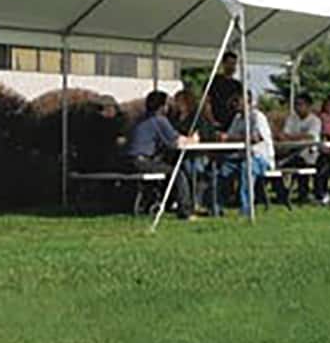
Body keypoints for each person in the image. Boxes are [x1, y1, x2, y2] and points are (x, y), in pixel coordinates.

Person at [127, 90, 199, 220]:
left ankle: (164, 202)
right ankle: (185, 211)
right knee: (178, 173)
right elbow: (177, 141)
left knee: (167, 168)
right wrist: (193, 139)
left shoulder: (141, 119)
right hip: (142, 161)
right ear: (162, 106)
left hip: (129, 161)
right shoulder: (159, 120)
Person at [219, 92, 274, 215]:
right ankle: (217, 206)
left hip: (259, 157)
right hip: (240, 156)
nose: (235, 104)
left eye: (238, 101)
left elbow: (256, 138)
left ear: (247, 102)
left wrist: (231, 138)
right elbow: (229, 137)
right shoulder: (238, 118)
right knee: (222, 169)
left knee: (247, 168)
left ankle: (246, 208)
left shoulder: (257, 117)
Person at [276, 93, 322, 202]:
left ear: (308, 106)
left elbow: (310, 136)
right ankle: (281, 194)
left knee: (300, 163)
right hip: (290, 151)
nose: (297, 107)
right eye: (296, 104)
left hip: (309, 155)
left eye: (301, 104)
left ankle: (303, 194)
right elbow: (283, 135)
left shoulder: (315, 120)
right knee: (274, 164)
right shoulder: (292, 119)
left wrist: (291, 137)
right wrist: (295, 137)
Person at [78, 95, 126, 172]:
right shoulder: (105, 124)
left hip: (88, 164)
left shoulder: (87, 122)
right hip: (102, 164)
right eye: (109, 108)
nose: (113, 111)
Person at [208, 51, 243, 130]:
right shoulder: (214, 81)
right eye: (229, 63)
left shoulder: (238, 85)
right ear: (223, 64)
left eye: (234, 64)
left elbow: (240, 104)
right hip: (215, 123)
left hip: (232, 125)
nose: (232, 66)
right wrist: (212, 121)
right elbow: (206, 102)